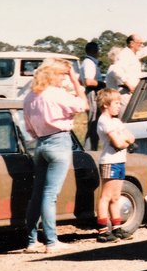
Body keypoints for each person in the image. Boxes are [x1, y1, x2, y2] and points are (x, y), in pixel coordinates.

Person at [22, 58, 88, 253]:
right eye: (61, 75)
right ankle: (51, 241)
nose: (63, 79)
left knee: (37, 194)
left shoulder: (29, 97)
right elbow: (83, 105)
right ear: (52, 75)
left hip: (40, 144)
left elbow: (30, 130)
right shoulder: (57, 94)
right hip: (59, 142)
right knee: (50, 195)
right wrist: (75, 80)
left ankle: (32, 241)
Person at [95, 88, 136, 242]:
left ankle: (117, 228)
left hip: (119, 161)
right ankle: (103, 230)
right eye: (116, 103)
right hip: (109, 162)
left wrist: (124, 140)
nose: (119, 106)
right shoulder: (104, 121)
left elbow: (131, 138)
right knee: (106, 196)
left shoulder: (116, 121)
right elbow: (118, 142)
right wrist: (123, 140)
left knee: (116, 196)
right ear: (106, 104)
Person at [108, 33, 147, 98]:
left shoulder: (133, 54)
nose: (142, 45)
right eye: (140, 43)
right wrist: (129, 85)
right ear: (132, 43)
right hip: (126, 92)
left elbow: (145, 51)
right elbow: (116, 70)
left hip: (131, 91)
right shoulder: (125, 54)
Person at [80, 41, 105, 150]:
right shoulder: (89, 63)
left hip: (91, 92)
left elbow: (80, 80)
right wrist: (102, 84)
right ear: (95, 51)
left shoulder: (87, 62)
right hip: (93, 93)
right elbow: (89, 81)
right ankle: (90, 150)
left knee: (94, 123)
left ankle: (92, 148)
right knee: (93, 123)